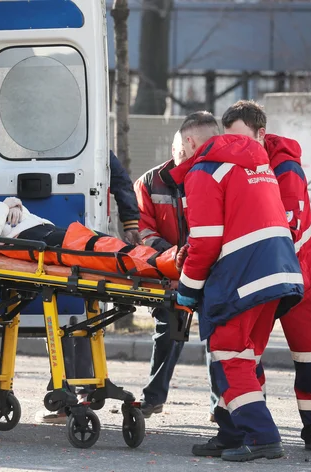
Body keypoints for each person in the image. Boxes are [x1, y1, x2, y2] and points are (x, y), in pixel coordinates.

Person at [171, 111, 304, 462]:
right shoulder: (253, 164)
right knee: (245, 357)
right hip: (279, 270)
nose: (177, 159)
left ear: (188, 143)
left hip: (243, 274)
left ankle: (261, 437)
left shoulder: (204, 171)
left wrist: (186, 290)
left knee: (230, 354)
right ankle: (231, 433)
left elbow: (207, 241)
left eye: (177, 150)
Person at [221, 99, 311, 452]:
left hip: (299, 274)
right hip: (260, 271)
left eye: (242, 139)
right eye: (230, 141)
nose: (237, 147)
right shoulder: (237, 164)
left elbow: (287, 226)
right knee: (244, 353)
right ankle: (246, 428)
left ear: (262, 133)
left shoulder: (285, 167)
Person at [38, 150, 142, 424]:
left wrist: (131, 222)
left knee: (64, 316)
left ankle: (66, 394)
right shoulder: (92, 144)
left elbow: (119, 179)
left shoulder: (40, 139)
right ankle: (83, 388)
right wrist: (130, 223)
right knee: (84, 316)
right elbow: (120, 179)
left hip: (59, 240)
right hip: (89, 239)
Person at [131, 131, 188, 418]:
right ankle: (153, 398)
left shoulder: (214, 177)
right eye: (183, 150)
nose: (187, 157)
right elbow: (146, 232)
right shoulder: (148, 183)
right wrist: (175, 257)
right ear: (174, 147)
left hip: (211, 267)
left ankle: (223, 406)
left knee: (220, 339)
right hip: (167, 271)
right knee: (168, 332)